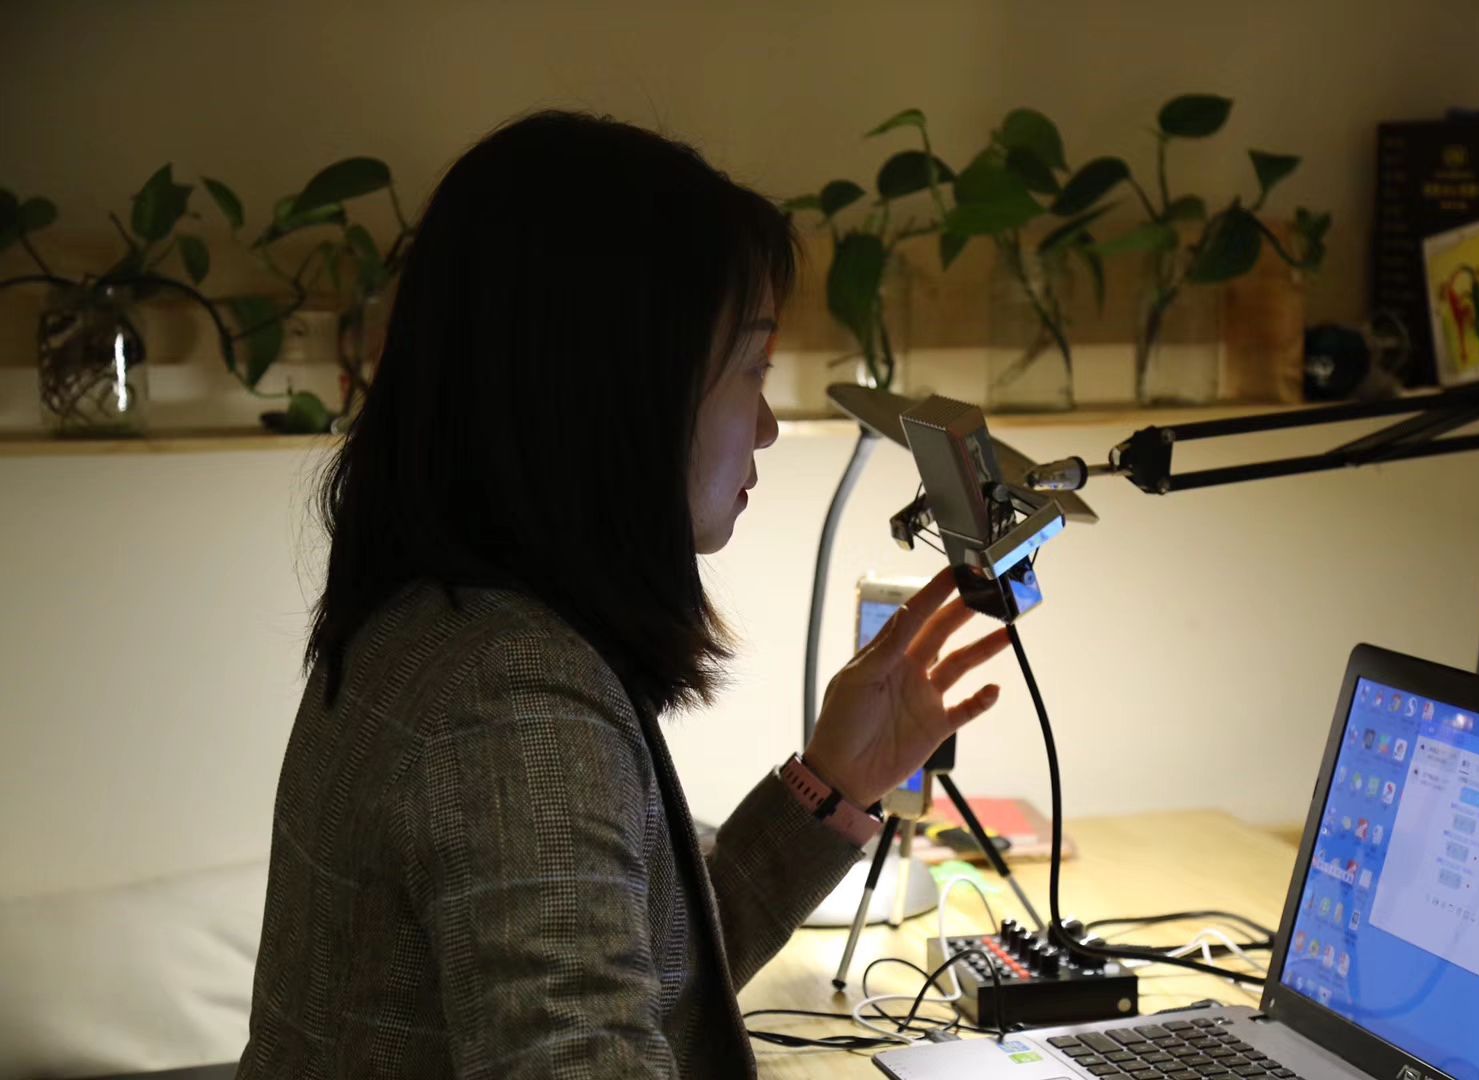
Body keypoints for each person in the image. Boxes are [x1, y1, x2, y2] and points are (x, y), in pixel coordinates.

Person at [236, 110, 1009, 1078]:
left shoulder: (441, 621)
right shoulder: (511, 702)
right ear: (623, 390)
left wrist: (833, 783)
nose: (766, 426)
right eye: (753, 368)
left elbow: (640, 977)